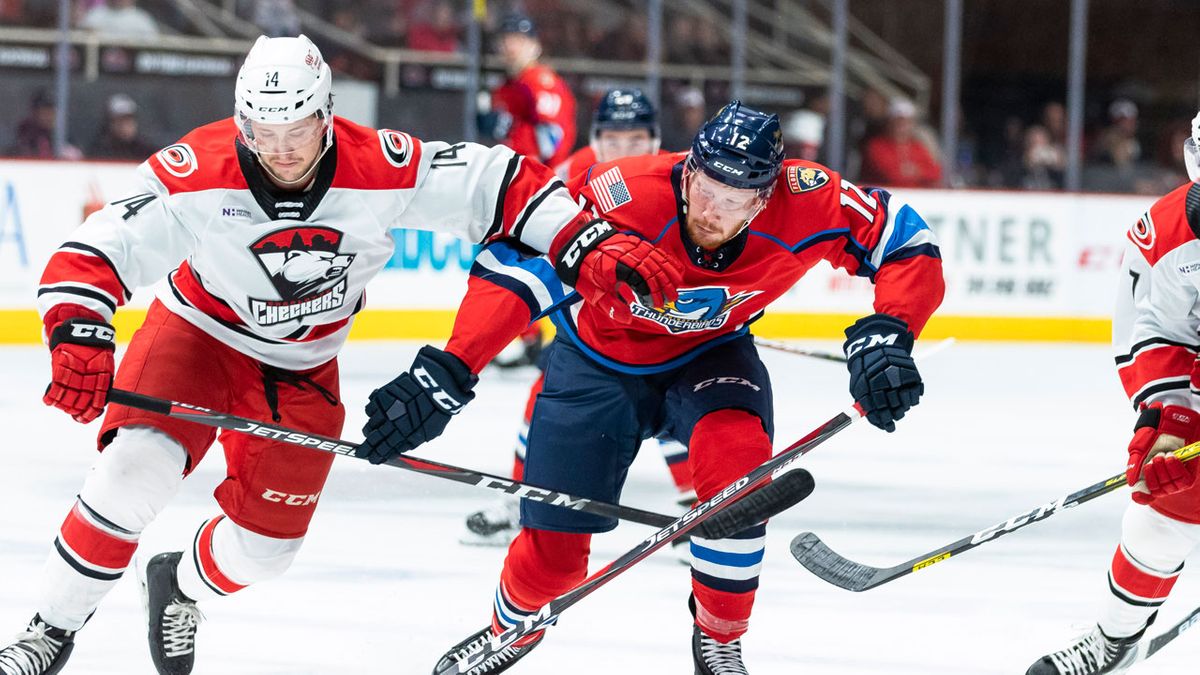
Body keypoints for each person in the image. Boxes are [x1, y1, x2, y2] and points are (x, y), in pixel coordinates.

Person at [0, 34, 678, 675]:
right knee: (132, 473)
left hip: (302, 368)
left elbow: (496, 184)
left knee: (266, 552)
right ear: (242, 121)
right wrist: (80, 329)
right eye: (264, 133)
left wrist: (583, 240)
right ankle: (49, 629)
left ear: (326, 114)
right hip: (196, 337)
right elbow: (98, 246)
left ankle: (177, 582)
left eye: (297, 130)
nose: (282, 150)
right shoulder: (199, 171)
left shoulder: (378, 165)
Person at [356, 101, 945, 674]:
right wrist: (451, 368)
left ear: (764, 199)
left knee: (737, 488)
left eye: (733, 201)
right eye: (705, 188)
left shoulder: (808, 198)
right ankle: (509, 627)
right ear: (689, 168)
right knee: (553, 563)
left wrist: (890, 332)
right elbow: (519, 260)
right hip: (594, 366)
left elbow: (903, 238)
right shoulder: (625, 192)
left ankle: (719, 639)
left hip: (712, 358)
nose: (710, 211)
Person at [462, 88, 696, 549]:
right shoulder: (573, 172)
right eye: (613, 138)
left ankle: (698, 508)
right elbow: (542, 240)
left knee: (675, 402)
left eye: (636, 139)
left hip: (667, 322)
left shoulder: (679, 179)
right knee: (546, 392)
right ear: (596, 138)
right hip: (596, 322)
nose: (624, 149)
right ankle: (522, 500)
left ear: (654, 140)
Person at [1025, 111, 1200, 675]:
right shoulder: (1168, 234)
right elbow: (1154, 331)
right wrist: (1169, 416)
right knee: (1163, 507)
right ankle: (1113, 644)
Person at [477, 12, 577, 168]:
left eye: (519, 41)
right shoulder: (505, 87)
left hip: (543, 179)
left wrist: (510, 129)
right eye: (506, 40)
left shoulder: (541, 82)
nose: (511, 47)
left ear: (535, 47)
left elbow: (552, 141)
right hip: (513, 173)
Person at [858, 97, 942, 188]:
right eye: (898, 121)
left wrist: (916, 171)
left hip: (912, 197)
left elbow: (935, 172)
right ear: (889, 123)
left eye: (907, 122)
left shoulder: (917, 146)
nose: (902, 126)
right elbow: (892, 175)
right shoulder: (876, 146)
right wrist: (917, 172)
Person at [88, 93, 158, 160]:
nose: (125, 126)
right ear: (111, 124)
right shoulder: (100, 150)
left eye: (129, 120)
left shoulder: (146, 150)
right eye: (120, 121)